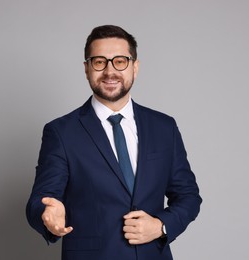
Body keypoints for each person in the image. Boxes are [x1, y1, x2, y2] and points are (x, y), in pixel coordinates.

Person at [26, 25, 202, 260]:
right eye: (99, 62)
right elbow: (40, 201)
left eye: (120, 61)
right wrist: (47, 215)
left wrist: (161, 226)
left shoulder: (164, 127)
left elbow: (188, 195)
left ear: (135, 68)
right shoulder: (61, 132)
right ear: (87, 69)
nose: (110, 71)